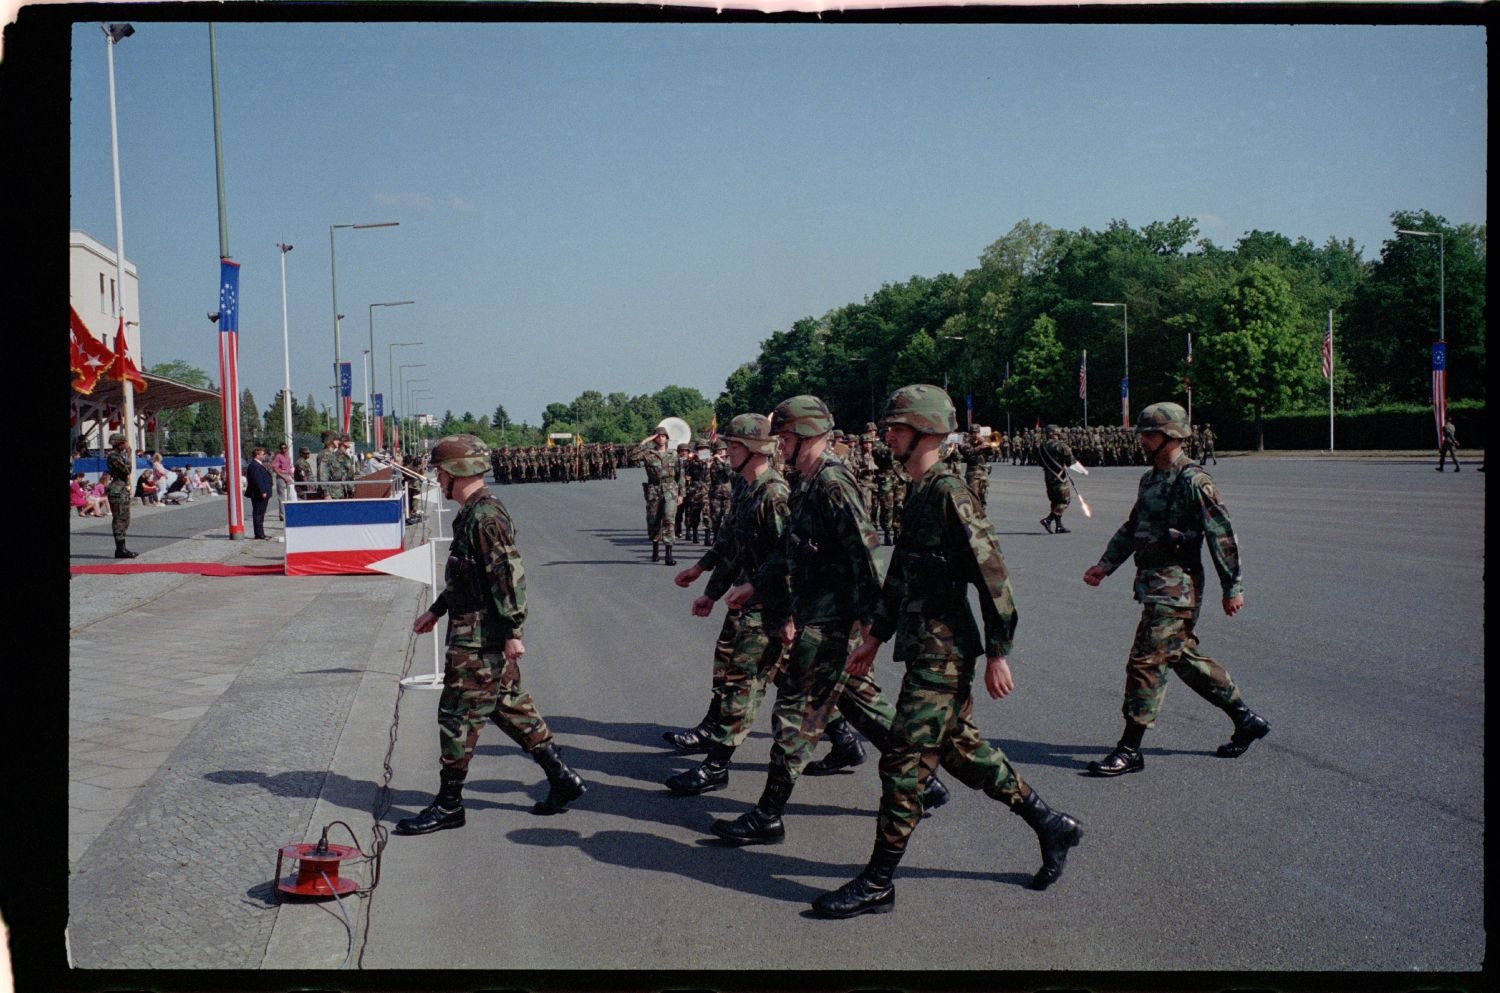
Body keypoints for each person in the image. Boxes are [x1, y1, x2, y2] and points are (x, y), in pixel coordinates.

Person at [812, 385, 1082, 918]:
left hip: (946, 653)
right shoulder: (918, 491)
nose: (887, 434)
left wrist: (999, 652)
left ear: (926, 431)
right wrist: (875, 637)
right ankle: (1052, 825)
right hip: (922, 647)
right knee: (962, 751)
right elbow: (899, 580)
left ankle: (879, 882)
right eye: (888, 427)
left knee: (903, 761)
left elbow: (993, 578)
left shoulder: (950, 493)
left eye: (897, 427)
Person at [712, 395, 946, 847]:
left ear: (805, 436)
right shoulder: (808, 479)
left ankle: (768, 815)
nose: (777, 446)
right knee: (863, 706)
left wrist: (870, 624)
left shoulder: (833, 482)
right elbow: (790, 546)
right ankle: (925, 782)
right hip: (817, 612)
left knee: (794, 716)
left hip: (831, 619)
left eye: (783, 437)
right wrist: (755, 584)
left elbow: (864, 551)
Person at [396, 434, 586, 835]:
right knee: (509, 705)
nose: (436, 478)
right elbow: (471, 578)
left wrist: (512, 631)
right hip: (475, 628)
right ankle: (562, 778)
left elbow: (508, 577)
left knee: (456, 716)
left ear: (453, 473)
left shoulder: (485, 517)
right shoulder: (473, 513)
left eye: (439, 472)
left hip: (479, 638)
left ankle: (449, 805)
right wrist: (436, 609)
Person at [1082, 402, 1269, 777]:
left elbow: (1222, 536)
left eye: (1148, 434)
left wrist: (1232, 587)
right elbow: (1133, 527)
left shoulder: (1194, 482)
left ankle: (1130, 749)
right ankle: (1245, 719)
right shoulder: (1150, 479)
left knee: (1146, 662)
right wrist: (1105, 564)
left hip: (1178, 586)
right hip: (1153, 583)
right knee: (1180, 657)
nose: (1142, 441)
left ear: (1171, 436)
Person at [664, 413, 790, 794]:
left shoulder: (774, 494)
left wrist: (787, 615)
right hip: (755, 602)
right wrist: (708, 585)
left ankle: (716, 765)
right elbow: (735, 547)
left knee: (746, 683)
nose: (725, 450)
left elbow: (789, 561)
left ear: (752, 449)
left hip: (771, 605)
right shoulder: (748, 488)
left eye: (733, 445)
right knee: (769, 680)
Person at [635, 426, 679, 565]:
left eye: (663, 436)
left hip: (670, 490)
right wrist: (645, 441)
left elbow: (680, 475)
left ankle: (668, 555)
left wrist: (681, 494)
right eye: (657, 436)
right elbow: (632, 456)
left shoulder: (673, 454)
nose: (660, 438)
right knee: (654, 520)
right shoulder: (648, 454)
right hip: (654, 489)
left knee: (669, 520)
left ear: (667, 438)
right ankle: (655, 551)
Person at [1037, 424, 1075, 534]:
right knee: (1064, 501)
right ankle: (1048, 520)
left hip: (1048, 478)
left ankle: (1059, 526)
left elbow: (1040, 462)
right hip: (1059, 478)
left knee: (1055, 501)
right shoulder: (1061, 446)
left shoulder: (1041, 447)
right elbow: (1070, 462)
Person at [104, 432, 137, 558]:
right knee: (119, 519)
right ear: (119, 444)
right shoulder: (113, 456)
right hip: (117, 490)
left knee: (125, 519)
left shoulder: (118, 455)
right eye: (124, 442)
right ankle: (120, 549)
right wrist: (129, 455)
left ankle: (122, 548)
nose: (126, 445)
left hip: (121, 489)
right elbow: (127, 470)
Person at [245, 446, 275, 540]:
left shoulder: (259, 464)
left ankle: (261, 533)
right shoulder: (254, 465)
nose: (264, 455)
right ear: (257, 455)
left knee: (261, 514)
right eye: (262, 454)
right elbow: (257, 480)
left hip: (262, 492)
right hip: (258, 494)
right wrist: (263, 491)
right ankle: (259, 534)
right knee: (258, 514)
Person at [271, 442, 296, 517]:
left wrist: (292, 475)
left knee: (290, 494)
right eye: (282, 448)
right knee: (281, 496)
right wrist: (282, 476)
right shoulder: (278, 456)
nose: (283, 449)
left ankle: (288, 512)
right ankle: (282, 514)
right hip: (281, 476)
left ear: (287, 448)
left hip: (288, 475)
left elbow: (289, 468)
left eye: (285, 448)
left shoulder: (288, 457)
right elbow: (275, 468)